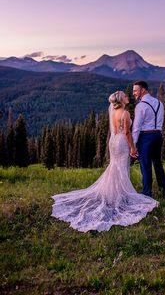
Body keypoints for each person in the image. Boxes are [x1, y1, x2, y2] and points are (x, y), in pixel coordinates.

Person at [51, 90, 158, 232]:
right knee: (121, 167)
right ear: (121, 100)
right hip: (122, 142)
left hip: (113, 141)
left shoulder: (113, 112)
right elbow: (126, 133)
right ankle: (119, 195)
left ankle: (113, 193)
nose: (128, 97)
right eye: (125, 96)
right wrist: (133, 148)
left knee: (115, 166)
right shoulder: (125, 113)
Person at [132, 81, 165, 198]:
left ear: (143, 90)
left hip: (146, 137)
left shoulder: (140, 106)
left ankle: (147, 193)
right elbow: (160, 121)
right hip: (158, 135)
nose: (134, 93)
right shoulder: (159, 103)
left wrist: (133, 144)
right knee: (158, 163)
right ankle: (164, 189)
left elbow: (136, 128)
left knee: (145, 165)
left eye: (135, 90)